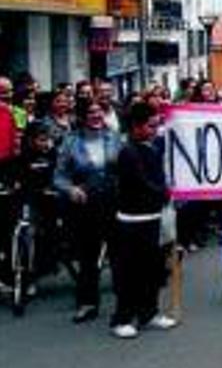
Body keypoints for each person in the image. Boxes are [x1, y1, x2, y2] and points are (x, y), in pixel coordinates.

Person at [110, 102, 175, 338]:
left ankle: (149, 312)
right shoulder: (128, 152)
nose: (155, 129)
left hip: (153, 218)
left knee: (153, 270)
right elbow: (142, 183)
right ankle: (122, 318)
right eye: (150, 126)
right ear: (136, 127)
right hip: (131, 222)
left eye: (156, 125)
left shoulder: (152, 147)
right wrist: (165, 193)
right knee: (130, 272)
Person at [54, 99, 122, 324]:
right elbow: (59, 176)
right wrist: (70, 189)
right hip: (86, 206)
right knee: (87, 257)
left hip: (113, 202)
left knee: (120, 254)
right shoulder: (70, 142)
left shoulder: (114, 137)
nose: (96, 115)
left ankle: (128, 302)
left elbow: (126, 166)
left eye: (99, 111)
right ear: (81, 116)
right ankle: (87, 303)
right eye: (90, 112)